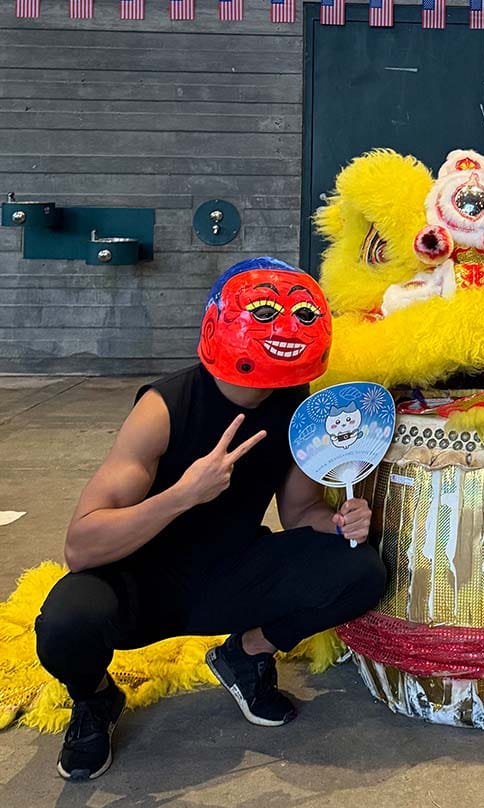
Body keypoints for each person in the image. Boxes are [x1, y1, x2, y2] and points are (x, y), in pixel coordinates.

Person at [35, 257, 387, 782]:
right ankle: (95, 700)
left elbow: (299, 513)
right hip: (140, 579)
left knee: (362, 570)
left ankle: (246, 655)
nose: (285, 326)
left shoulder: (298, 407)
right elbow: (80, 547)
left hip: (230, 570)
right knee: (64, 626)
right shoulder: (163, 407)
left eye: (302, 315)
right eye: (265, 312)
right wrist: (182, 495)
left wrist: (341, 523)